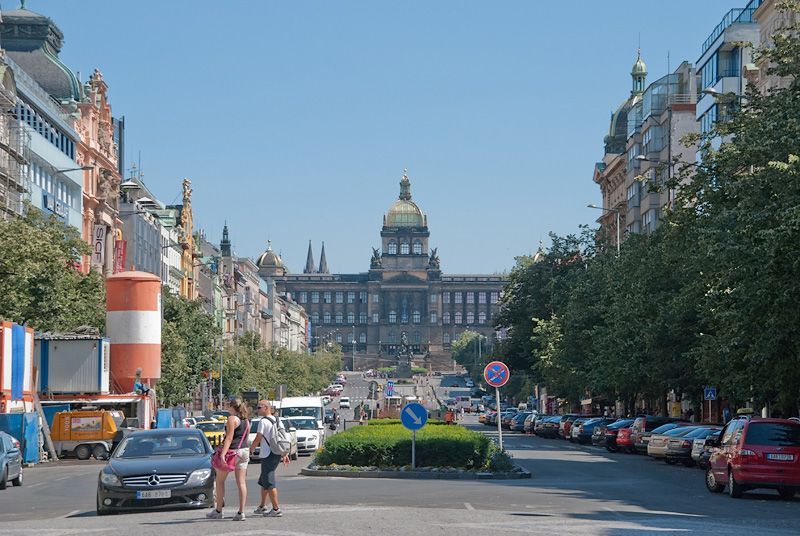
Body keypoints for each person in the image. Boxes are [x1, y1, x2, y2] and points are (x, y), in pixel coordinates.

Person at [207, 396, 250, 521]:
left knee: (220, 481)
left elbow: (229, 438)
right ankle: (241, 512)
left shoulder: (232, 419)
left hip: (232, 452)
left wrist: (222, 454)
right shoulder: (246, 420)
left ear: (232, 406)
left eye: (227, 405)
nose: (226, 407)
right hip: (244, 450)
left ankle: (219, 510)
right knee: (241, 482)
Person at [249, 400, 289, 518]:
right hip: (276, 453)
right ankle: (262, 506)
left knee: (269, 482)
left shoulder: (263, 422)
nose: (257, 409)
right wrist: (284, 453)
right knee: (264, 481)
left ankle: (276, 509)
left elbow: (258, 437)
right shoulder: (277, 420)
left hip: (268, 454)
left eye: (259, 407)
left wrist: (251, 449)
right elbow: (282, 438)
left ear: (266, 408)